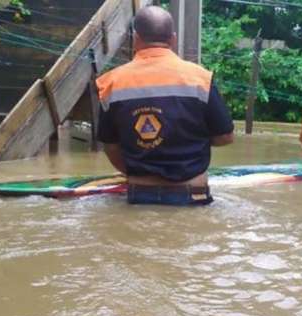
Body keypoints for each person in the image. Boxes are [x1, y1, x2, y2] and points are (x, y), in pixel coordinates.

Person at [95, 6, 234, 206]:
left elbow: (111, 147)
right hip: (193, 193)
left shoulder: (110, 83)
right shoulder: (200, 79)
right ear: (173, 39)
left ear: (135, 38)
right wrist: (189, 139)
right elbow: (225, 137)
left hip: (139, 195)